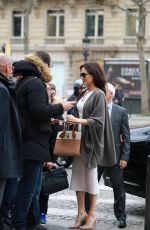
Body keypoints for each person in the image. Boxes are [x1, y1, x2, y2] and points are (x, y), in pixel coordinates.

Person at [12, 52, 73, 230]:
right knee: (28, 189)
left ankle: (32, 222)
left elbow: (32, 112)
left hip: (29, 142)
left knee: (32, 187)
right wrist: (61, 107)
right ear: (43, 65)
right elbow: (39, 111)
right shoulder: (36, 83)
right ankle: (21, 223)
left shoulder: (25, 82)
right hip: (33, 143)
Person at [67, 62, 116, 230]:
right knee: (77, 179)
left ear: (93, 76)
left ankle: (92, 214)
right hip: (77, 141)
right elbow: (78, 111)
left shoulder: (99, 94)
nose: (81, 78)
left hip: (90, 143)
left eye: (84, 75)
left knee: (90, 179)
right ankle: (81, 213)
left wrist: (78, 120)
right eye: (81, 75)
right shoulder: (85, 93)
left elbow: (99, 121)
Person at [85, 83, 130, 228]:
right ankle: (87, 215)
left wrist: (124, 157)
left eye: (103, 91)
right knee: (90, 185)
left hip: (115, 156)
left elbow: (126, 137)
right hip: (97, 155)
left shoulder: (121, 111)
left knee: (118, 188)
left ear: (111, 93)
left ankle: (121, 217)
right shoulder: (94, 110)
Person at [0, 54, 22, 229]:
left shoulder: (6, 87)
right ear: (6, 68)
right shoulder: (2, 88)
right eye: (11, 67)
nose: (12, 70)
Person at [39, 82, 64, 224]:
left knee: (45, 187)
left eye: (53, 89)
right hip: (38, 153)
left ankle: (42, 212)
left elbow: (56, 140)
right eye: (48, 89)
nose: (51, 92)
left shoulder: (55, 111)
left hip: (48, 155)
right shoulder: (39, 109)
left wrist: (52, 159)